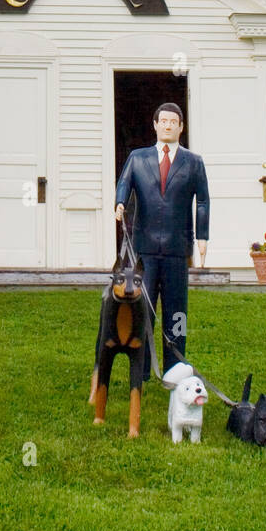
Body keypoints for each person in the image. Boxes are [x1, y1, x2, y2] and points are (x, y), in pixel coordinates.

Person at [115, 102, 209, 381]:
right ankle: (142, 367)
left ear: (181, 127)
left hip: (177, 250)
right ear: (155, 125)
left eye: (173, 121)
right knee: (142, 308)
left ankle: (175, 366)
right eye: (163, 121)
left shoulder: (193, 163)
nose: (168, 125)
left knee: (176, 311)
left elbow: (203, 202)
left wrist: (202, 236)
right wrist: (120, 202)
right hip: (145, 251)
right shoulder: (138, 158)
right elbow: (124, 183)